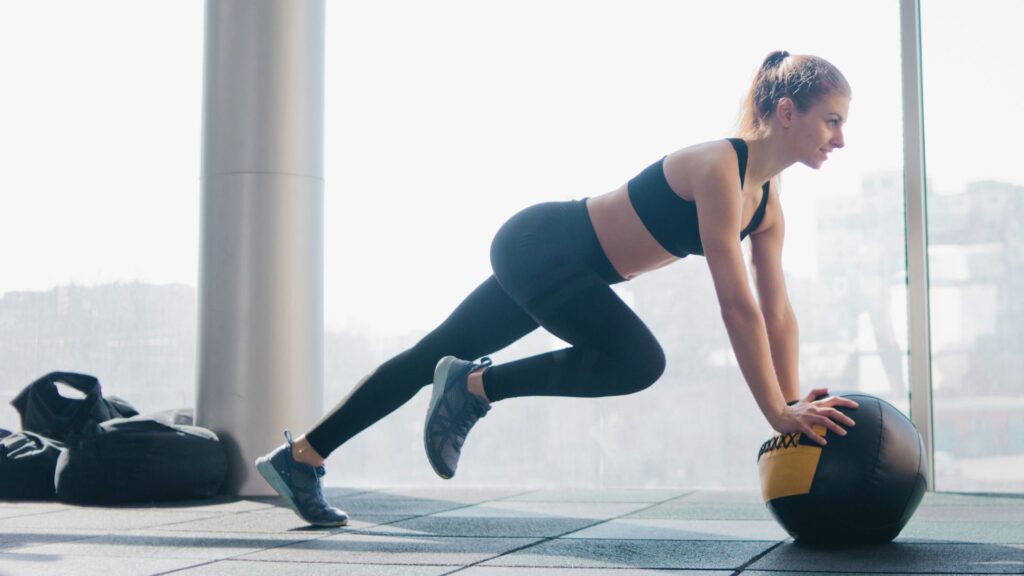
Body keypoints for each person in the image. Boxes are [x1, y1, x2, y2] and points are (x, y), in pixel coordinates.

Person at [255, 50, 860, 526]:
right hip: (539, 246)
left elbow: (777, 313)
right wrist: (776, 411)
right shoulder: (719, 169)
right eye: (831, 121)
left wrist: (793, 403)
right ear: (787, 112)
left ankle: (300, 456)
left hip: (564, 269)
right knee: (638, 360)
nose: (839, 139)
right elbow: (737, 306)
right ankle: (472, 386)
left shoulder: (768, 204)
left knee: (426, 357)